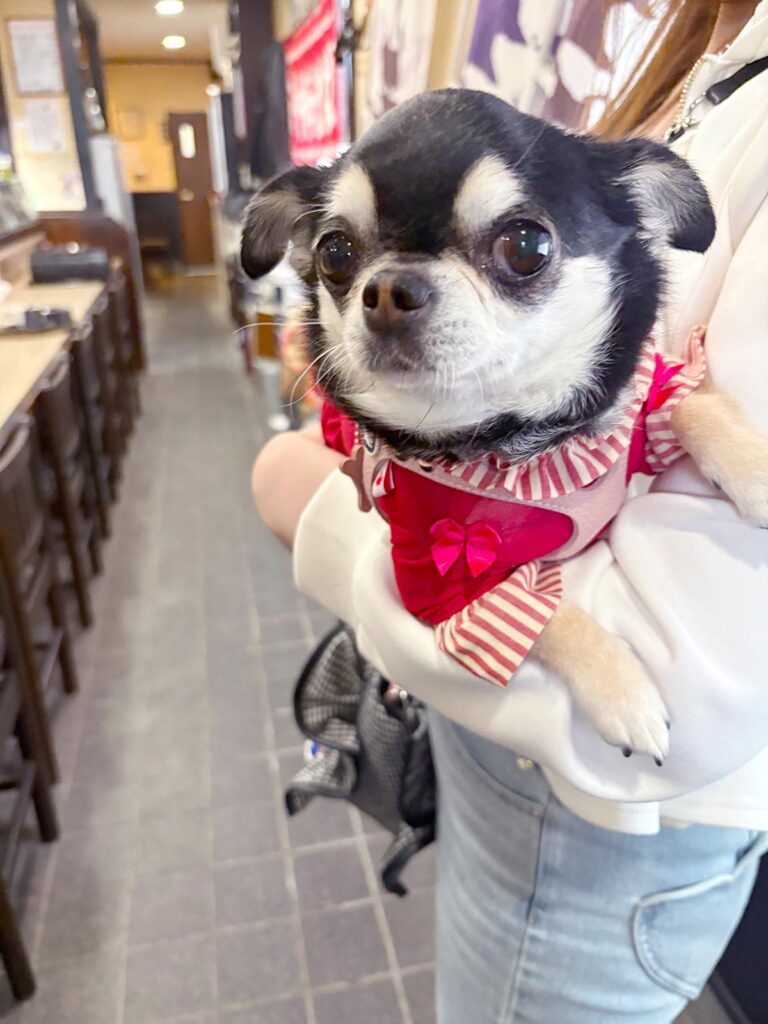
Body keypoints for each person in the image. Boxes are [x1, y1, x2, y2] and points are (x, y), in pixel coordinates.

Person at [252, 1, 768, 1020]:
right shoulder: (699, 65)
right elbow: (448, 570)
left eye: (518, 250)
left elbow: (685, 683)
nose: (388, 298)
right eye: (343, 260)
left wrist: (311, 509)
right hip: (496, 760)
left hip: (603, 837)